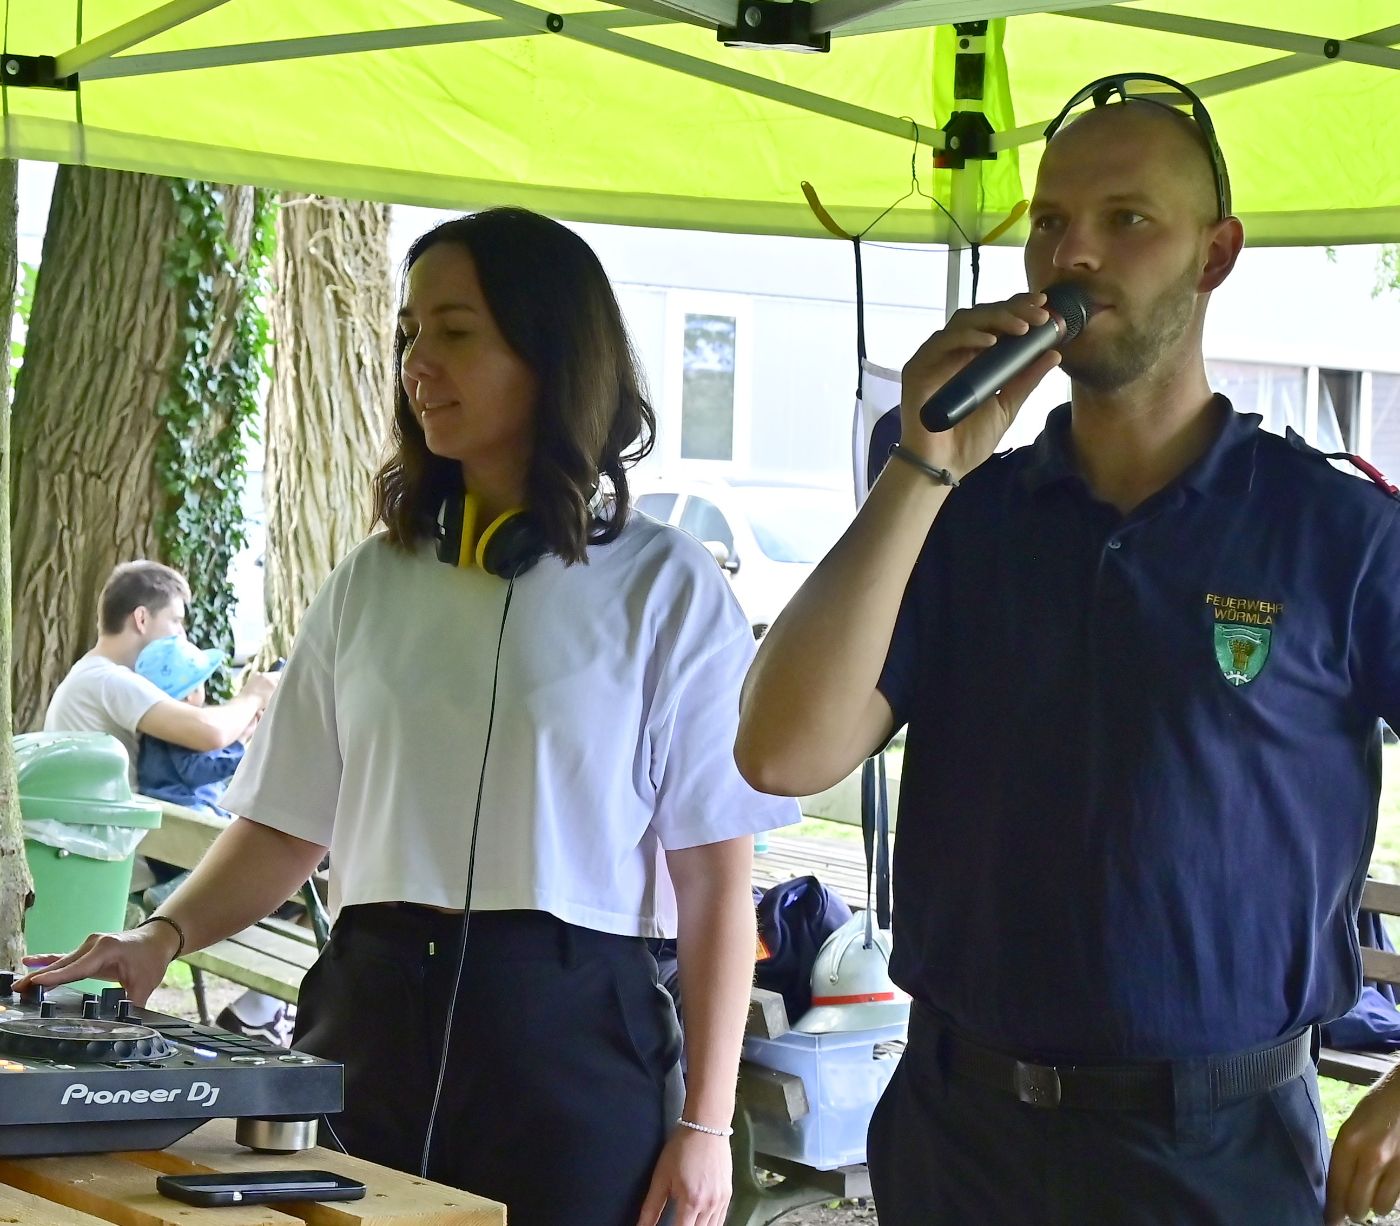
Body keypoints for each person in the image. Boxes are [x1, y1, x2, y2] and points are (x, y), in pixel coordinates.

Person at [21, 207, 797, 1226]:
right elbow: (286, 824)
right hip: (371, 1017)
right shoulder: (367, 581)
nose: (416, 363)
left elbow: (715, 882)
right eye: (406, 334)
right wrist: (163, 934)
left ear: (552, 352)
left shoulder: (669, 587)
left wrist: (705, 1124)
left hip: (575, 1041)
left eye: (454, 331)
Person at [735, 74, 1400, 1226]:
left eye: (1124, 218)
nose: (1071, 254)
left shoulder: (1333, 529)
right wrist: (920, 464)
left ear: (1214, 254)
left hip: (1217, 1149)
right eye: (1049, 221)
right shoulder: (960, 514)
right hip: (959, 1136)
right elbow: (779, 752)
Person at [43, 560, 279, 786]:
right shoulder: (109, 679)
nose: (182, 635)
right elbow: (210, 732)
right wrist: (254, 694)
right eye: (176, 621)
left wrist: (240, 736)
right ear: (141, 619)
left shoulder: (92, 673)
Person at [133, 634, 248, 817]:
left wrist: (237, 743)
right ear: (190, 694)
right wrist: (242, 756)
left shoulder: (157, 726)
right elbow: (198, 771)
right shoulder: (180, 730)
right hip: (187, 808)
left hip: (163, 807)